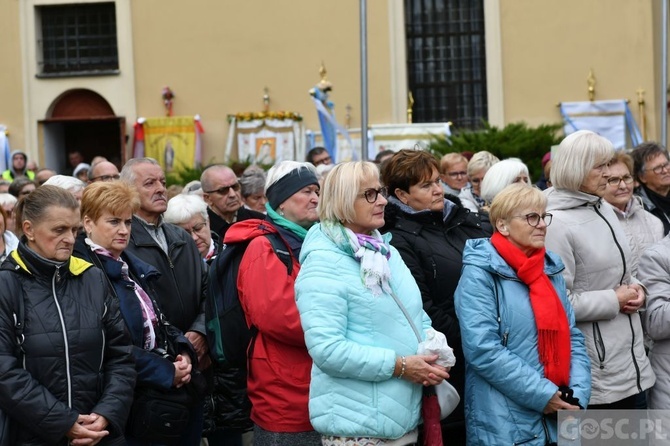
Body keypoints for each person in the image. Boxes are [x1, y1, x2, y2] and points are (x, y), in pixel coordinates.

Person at [295, 161, 451, 445]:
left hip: (401, 417)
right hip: (358, 427)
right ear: (342, 201)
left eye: (380, 191)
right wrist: (401, 366)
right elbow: (327, 350)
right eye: (369, 194)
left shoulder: (383, 250)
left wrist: (433, 346)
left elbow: (412, 313)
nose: (382, 200)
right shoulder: (323, 263)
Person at [454, 183, 591, 445]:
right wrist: (544, 396)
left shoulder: (549, 269)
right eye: (531, 217)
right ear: (503, 226)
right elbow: (482, 349)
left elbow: (573, 336)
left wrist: (576, 396)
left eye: (543, 216)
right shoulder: (480, 272)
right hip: (505, 421)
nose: (541, 224)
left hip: (561, 415)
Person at [0, 185, 136, 445]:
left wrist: (106, 413)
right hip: (32, 436)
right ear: (29, 230)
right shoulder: (7, 284)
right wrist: (63, 422)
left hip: (100, 433)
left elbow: (121, 356)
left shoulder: (92, 278)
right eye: (59, 230)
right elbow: (5, 372)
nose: (71, 239)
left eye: (75, 230)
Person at [380, 149, 490, 443]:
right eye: (426, 185)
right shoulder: (399, 238)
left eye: (438, 181)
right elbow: (422, 306)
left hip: (490, 354)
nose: (439, 189)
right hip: (454, 361)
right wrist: (476, 340)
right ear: (402, 195)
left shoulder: (464, 220)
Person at [74, 181, 197, 444]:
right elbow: (109, 346)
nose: (123, 230)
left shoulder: (127, 263)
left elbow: (158, 319)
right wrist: (165, 371)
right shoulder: (83, 270)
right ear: (88, 223)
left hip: (154, 395)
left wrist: (184, 351)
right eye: (114, 222)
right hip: (122, 403)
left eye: (128, 222)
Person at [544, 130, 655, 409]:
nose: (609, 173)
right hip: (594, 373)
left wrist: (638, 290)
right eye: (600, 166)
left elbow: (622, 274)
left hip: (631, 366)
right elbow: (556, 302)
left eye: (609, 163)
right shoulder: (555, 222)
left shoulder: (603, 207)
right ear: (576, 168)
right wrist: (614, 300)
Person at [224, 161, 322, 445]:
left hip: (317, 384)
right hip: (285, 392)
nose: (315, 198)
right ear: (280, 202)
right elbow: (281, 319)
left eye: (317, 190)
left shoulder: (313, 242)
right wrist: (339, 328)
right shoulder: (263, 246)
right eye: (306, 191)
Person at [121, 157, 208, 446]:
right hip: (149, 383)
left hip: (193, 366)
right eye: (150, 183)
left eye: (163, 182)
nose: (161, 189)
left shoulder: (180, 237)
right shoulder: (122, 241)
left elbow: (208, 292)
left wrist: (199, 332)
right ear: (128, 190)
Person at [601, 152, 664, 276]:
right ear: (600, 183)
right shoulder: (594, 224)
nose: (623, 186)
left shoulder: (653, 222)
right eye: (613, 180)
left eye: (627, 178)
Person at [201, 164, 264, 241]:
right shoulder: (200, 229)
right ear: (207, 198)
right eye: (223, 190)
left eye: (235, 187)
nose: (232, 194)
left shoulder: (260, 222)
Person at [631, 142, 670, 234]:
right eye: (657, 168)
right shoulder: (638, 207)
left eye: (666, 164)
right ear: (642, 177)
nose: (665, 171)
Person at [164, 194, 217, 261]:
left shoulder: (229, 256)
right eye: (185, 233)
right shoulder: (169, 264)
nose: (194, 237)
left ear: (208, 221)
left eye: (198, 228)